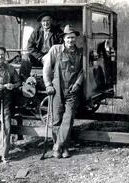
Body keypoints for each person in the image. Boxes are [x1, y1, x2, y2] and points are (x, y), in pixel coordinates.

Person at [43, 25, 83, 158]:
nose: (70, 40)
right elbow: (47, 68)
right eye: (68, 38)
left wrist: (78, 83)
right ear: (63, 39)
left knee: (69, 117)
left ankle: (57, 146)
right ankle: (63, 147)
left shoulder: (80, 52)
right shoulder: (55, 50)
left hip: (72, 89)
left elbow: (83, 71)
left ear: (75, 38)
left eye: (72, 38)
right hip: (57, 89)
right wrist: (48, 84)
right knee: (56, 119)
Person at [19, 12, 63, 82]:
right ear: (41, 22)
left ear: (51, 21)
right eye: (44, 21)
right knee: (26, 57)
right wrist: (39, 57)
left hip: (52, 58)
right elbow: (30, 46)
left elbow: (61, 46)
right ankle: (23, 81)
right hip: (39, 58)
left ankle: (53, 83)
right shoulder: (36, 31)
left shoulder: (57, 32)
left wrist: (51, 56)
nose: (46, 23)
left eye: (48, 20)